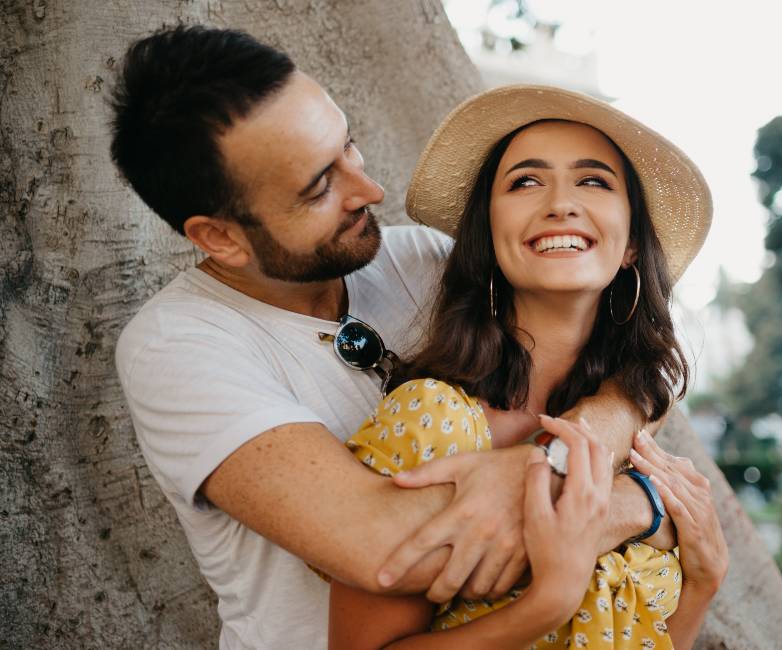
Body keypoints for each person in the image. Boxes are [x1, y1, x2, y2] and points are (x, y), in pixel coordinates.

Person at [109, 26, 695, 649]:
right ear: (220, 237)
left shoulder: (422, 262)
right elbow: (386, 549)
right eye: (318, 187)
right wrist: (640, 504)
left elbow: (630, 366)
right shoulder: (179, 348)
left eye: (348, 147)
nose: (370, 191)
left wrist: (558, 455)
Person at [325, 88, 728, 648]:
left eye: (594, 181)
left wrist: (705, 582)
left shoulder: (638, 438)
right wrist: (546, 603)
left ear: (632, 242)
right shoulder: (434, 418)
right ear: (489, 237)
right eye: (525, 182)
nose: (561, 203)